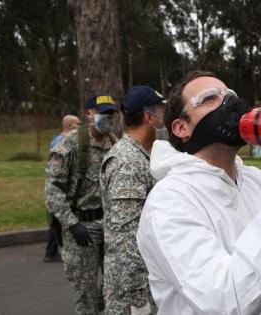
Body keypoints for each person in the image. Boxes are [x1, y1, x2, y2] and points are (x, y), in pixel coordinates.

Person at [136, 71, 261, 314]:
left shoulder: (255, 180)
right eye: (210, 98)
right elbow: (226, 301)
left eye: (230, 95)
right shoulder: (168, 201)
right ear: (181, 127)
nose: (230, 102)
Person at [45, 94, 118, 314]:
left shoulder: (115, 143)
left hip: (110, 226)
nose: (108, 118)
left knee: (115, 287)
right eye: (103, 113)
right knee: (86, 293)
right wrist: (72, 223)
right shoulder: (71, 143)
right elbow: (52, 191)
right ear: (89, 114)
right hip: (81, 228)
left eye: (111, 114)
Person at [100, 86, 167, 315]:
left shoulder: (142, 155)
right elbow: (127, 236)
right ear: (149, 116)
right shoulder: (126, 162)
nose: (164, 116)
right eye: (161, 110)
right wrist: (138, 299)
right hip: (131, 292)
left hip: (147, 278)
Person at [44, 114, 81, 263]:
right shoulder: (64, 141)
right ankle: (51, 251)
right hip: (61, 190)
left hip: (60, 189)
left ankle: (51, 251)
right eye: (78, 124)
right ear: (70, 125)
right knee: (59, 221)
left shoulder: (57, 139)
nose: (80, 126)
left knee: (56, 221)